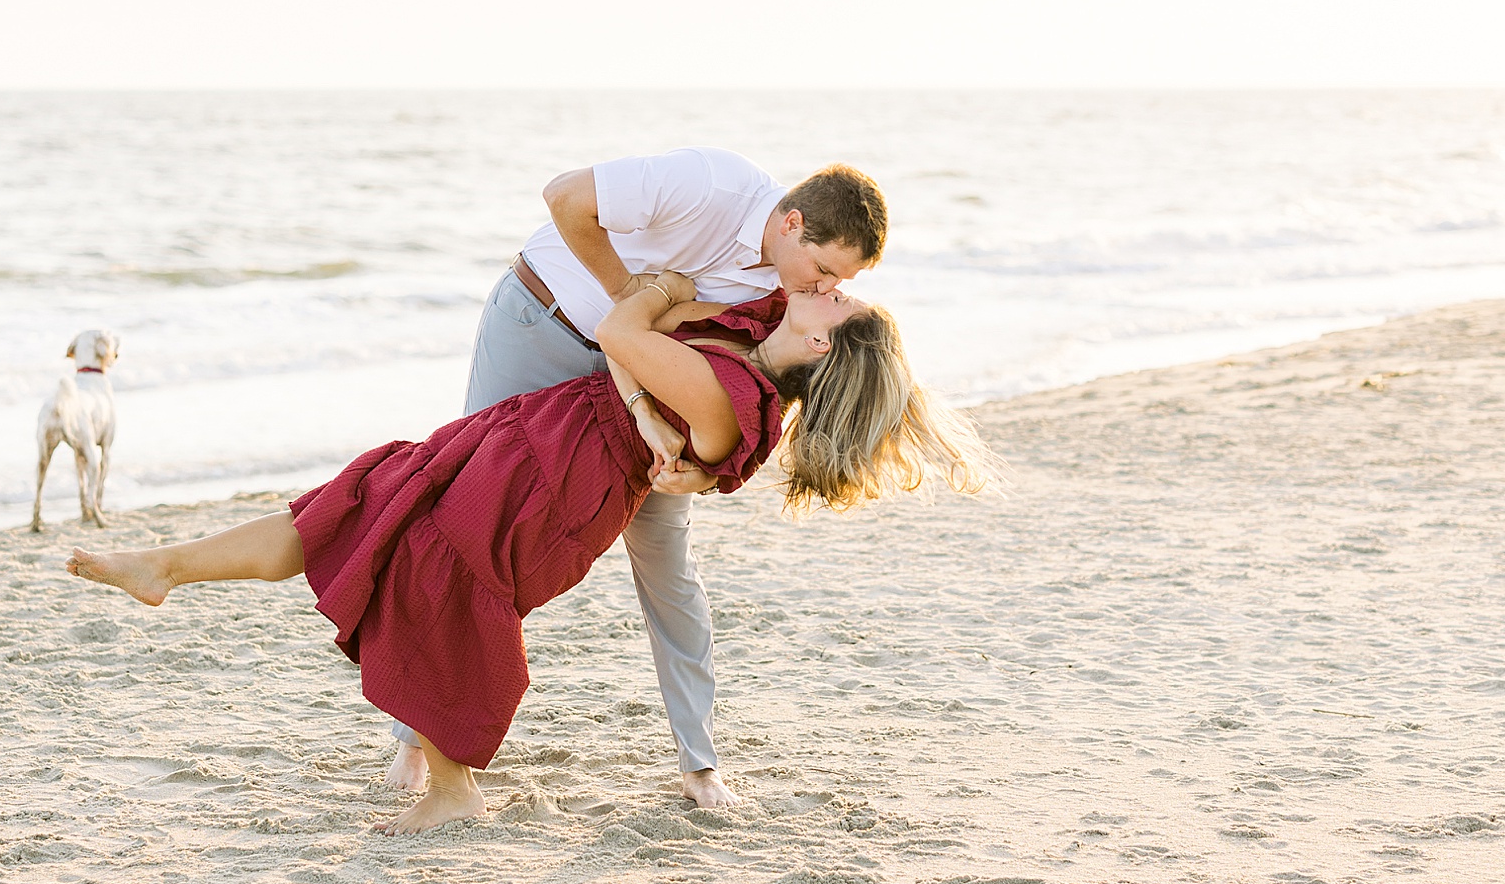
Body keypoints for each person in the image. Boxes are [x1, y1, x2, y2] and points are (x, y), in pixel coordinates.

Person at [65, 270, 996, 834]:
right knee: (358, 510)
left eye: (837, 297)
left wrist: (663, 293)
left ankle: (456, 787)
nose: (825, 286)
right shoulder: (754, 338)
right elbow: (665, 314)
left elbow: (621, 330)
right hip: (534, 447)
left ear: (824, 343)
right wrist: (680, 295)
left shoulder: (730, 401)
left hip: (547, 487)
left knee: (429, 579)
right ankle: (168, 567)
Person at [403, 146, 890, 810]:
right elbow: (565, 195)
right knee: (462, 523)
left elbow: (785, 370)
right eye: (824, 267)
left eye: (837, 279)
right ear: (791, 223)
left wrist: (710, 471)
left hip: (632, 384)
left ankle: (699, 762)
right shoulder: (711, 185)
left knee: (669, 566)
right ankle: (411, 736)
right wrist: (630, 293)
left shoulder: (789, 290)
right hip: (540, 325)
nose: (819, 287)